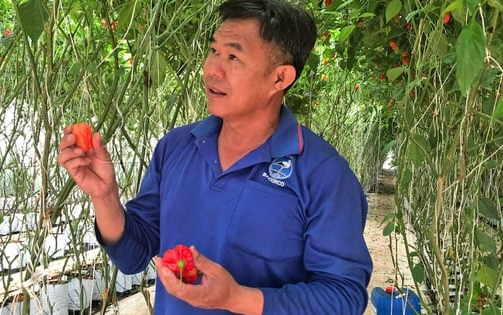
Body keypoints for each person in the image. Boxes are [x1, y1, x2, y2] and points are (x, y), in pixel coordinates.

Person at [57, 0, 373, 314]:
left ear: (280, 78)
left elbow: (343, 298)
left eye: (233, 56)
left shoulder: (324, 174)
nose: (212, 70)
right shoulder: (176, 147)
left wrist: (236, 298)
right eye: (213, 52)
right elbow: (132, 257)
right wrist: (105, 197)